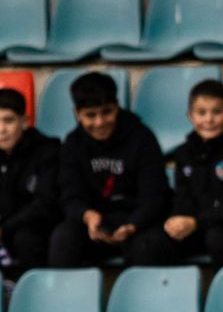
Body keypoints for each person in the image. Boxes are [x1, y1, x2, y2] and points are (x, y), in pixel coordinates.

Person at [49, 71, 170, 269]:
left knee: (148, 246)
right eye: (90, 115)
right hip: (95, 226)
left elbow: (155, 195)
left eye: (107, 112)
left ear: (117, 107)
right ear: (76, 114)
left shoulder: (142, 137)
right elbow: (70, 195)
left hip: (138, 223)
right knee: (64, 238)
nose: (99, 122)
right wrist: (87, 216)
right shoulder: (73, 144)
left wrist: (133, 224)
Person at [141, 79, 223, 266]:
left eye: (217, 112)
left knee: (218, 238)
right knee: (150, 242)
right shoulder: (184, 153)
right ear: (190, 116)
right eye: (201, 112)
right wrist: (178, 221)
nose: (209, 120)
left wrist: (197, 221)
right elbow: (183, 198)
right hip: (197, 226)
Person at [0, 88, 60, 282]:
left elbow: (44, 204)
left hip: (35, 229)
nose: (1, 129)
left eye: (8, 120)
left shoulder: (47, 151)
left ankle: (34, 295)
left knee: (26, 239)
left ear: (24, 121)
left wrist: (5, 228)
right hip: (6, 228)